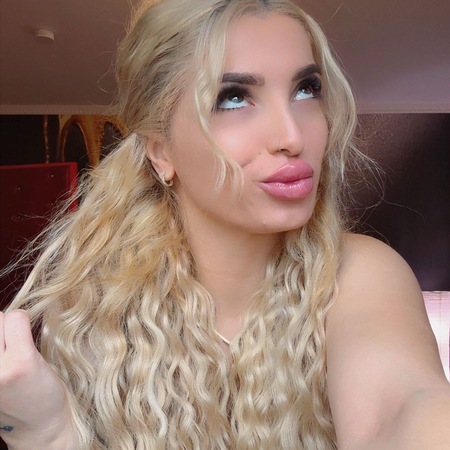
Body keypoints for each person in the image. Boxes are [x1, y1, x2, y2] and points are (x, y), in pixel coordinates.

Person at [1, 0, 449, 448]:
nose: (292, 137)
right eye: (233, 97)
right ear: (161, 151)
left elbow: (400, 407)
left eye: (305, 89)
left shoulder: (356, 273)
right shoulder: (95, 309)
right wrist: (49, 434)